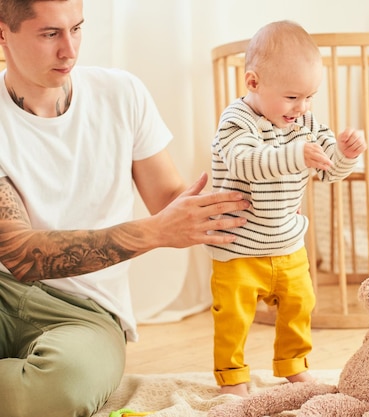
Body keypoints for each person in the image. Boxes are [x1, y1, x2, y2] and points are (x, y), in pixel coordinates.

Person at [0, 1, 250, 416]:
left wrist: (255, 175)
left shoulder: (121, 93)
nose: (70, 50)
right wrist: (155, 232)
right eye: (50, 34)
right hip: (5, 289)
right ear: (3, 33)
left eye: (76, 29)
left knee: (64, 386)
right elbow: (22, 254)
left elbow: (169, 200)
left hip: (86, 310)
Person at [207, 20, 367, 397]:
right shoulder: (236, 121)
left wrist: (344, 154)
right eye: (292, 97)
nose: (302, 108)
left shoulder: (306, 122)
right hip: (238, 247)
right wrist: (295, 155)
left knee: (300, 305)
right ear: (253, 83)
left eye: (310, 97)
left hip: (286, 242)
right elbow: (245, 162)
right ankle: (233, 377)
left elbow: (328, 171)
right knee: (232, 317)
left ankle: (293, 365)